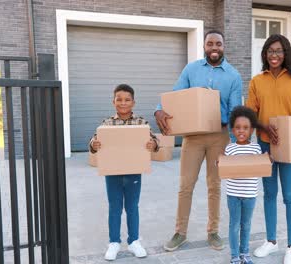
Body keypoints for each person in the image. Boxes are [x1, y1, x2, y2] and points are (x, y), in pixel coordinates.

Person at [154, 30, 242, 251]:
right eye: (210, 43)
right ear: (204, 45)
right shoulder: (191, 69)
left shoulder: (233, 75)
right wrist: (159, 110)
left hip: (219, 136)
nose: (214, 47)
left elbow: (234, 111)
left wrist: (236, 143)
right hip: (192, 137)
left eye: (218, 43)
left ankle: (213, 232)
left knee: (214, 185)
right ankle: (180, 232)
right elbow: (176, 95)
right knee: (186, 185)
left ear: (224, 46)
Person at [246, 34, 291, 264]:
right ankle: (271, 241)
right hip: (264, 143)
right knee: (269, 194)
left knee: (290, 196)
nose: (274, 55)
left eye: (279, 51)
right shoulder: (257, 80)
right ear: (265, 54)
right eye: (270, 51)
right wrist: (263, 127)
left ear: (286, 53)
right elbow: (250, 114)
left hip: (288, 145)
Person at [90, 84, 160, 261]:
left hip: (134, 172)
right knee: (114, 207)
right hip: (112, 173)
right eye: (119, 99)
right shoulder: (106, 123)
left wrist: (153, 144)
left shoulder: (141, 123)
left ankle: (134, 241)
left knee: (132, 207)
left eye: (127, 99)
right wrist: (94, 144)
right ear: (113, 102)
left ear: (133, 102)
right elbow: (93, 142)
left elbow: (155, 141)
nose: (123, 103)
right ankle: (114, 242)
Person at [223, 106, 262, 264]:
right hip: (233, 195)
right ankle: (234, 255)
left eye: (245, 128)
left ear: (251, 130)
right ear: (232, 129)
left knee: (246, 225)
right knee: (234, 225)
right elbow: (224, 167)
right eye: (238, 128)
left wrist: (268, 160)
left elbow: (262, 167)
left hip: (250, 195)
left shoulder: (256, 148)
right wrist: (219, 161)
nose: (241, 131)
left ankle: (244, 253)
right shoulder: (230, 149)